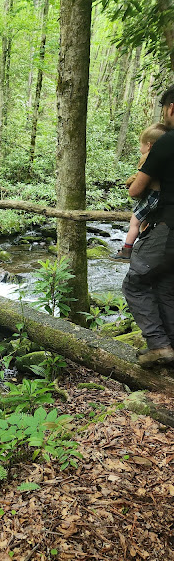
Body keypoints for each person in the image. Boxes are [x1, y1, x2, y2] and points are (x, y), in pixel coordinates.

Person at [122, 85, 174, 367]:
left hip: (167, 227)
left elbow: (136, 189)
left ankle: (159, 345)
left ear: (171, 108)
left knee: (135, 283)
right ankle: (170, 348)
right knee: (165, 287)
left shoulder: (166, 142)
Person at [112, 123, 168, 261]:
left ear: (149, 145)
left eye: (141, 145)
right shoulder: (167, 156)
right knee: (145, 220)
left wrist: (130, 181)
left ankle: (127, 250)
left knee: (134, 222)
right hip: (163, 198)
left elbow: (139, 179)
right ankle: (143, 239)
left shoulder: (149, 157)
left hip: (152, 196)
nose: (139, 148)